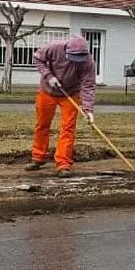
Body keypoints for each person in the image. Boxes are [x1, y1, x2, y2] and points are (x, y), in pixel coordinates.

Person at [26, 36, 96, 177]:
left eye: (80, 58)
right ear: (67, 50)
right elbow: (37, 58)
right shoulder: (53, 47)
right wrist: (49, 76)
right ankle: (38, 157)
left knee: (68, 129)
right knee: (42, 124)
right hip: (47, 91)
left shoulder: (88, 61)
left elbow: (88, 85)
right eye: (73, 57)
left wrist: (88, 109)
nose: (77, 61)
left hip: (71, 94)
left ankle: (63, 164)